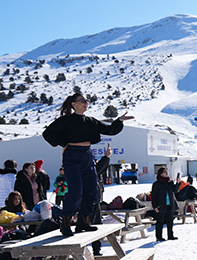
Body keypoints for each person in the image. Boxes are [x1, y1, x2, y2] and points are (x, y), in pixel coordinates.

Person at [43, 92, 132, 236]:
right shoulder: (66, 120)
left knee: (92, 189)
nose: (86, 103)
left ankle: (83, 221)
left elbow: (109, 130)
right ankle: (65, 222)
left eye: (87, 100)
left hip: (87, 154)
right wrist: (64, 143)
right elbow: (48, 134)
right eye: (82, 100)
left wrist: (119, 120)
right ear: (74, 104)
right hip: (72, 154)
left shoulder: (91, 121)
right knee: (76, 190)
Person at [151, 167, 179, 241]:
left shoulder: (170, 182)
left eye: (167, 171)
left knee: (170, 220)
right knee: (160, 221)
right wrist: (155, 206)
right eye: (165, 171)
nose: (167, 173)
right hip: (161, 205)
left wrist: (178, 183)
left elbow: (175, 191)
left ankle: (170, 235)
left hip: (170, 204)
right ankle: (159, 237)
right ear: (160, 173)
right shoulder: (156, 184)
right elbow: (153, 196)